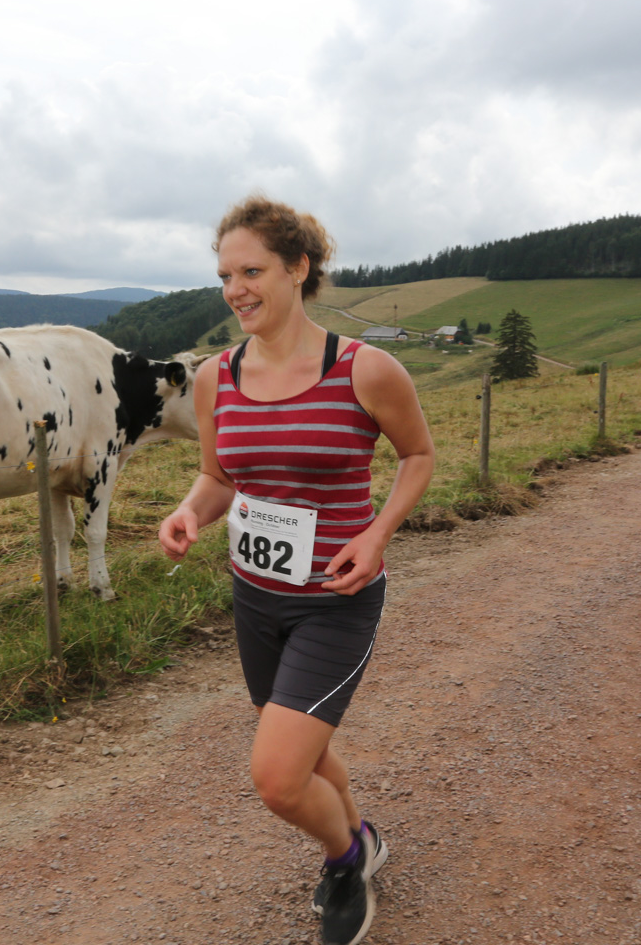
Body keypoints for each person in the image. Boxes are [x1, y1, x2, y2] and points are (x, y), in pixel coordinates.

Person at [158, 196, 435, 945]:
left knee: (279, 778)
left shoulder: (365, 369)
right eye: (225, 275)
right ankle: (361, 836)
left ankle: (344, 861)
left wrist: (377, 534)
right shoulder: (216, 377)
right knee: (303, 748)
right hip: (256, 598)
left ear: (298, 268)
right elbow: (219, 477)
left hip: (336, 599)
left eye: (251, 271)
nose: (235, 290)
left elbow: (418, 455)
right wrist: (190, 512)